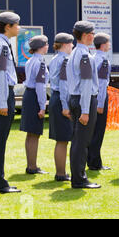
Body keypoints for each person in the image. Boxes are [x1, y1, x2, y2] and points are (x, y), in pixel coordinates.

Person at [0, 11, 21, 193]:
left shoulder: (0, 44)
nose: (19, 28)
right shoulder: (1, 47)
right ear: (7, 26)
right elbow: (0, 75)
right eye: (16, 24)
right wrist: (2, 103)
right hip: (1, 92)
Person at [66, 21, 100, 189]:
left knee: (77, 140)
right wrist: (85, 111)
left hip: (75, 98)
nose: (93, 36)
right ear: (87, 35)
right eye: (92, 34)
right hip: (83, 100)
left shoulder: (73, 53)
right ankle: (79, 178)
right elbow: (86, 84)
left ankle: (77, 176)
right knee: (82, 142)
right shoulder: (85, 55)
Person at [20, 35, 49, 175]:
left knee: (30, 134)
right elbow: (41, 87)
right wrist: (42, 106)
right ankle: (32, 166)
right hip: (35, 97)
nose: (48, 46)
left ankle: (30, 164)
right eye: (46, 44)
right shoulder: (40, 63)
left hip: (29, 95)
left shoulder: (30, 61)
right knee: (34, 134)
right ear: (41, 47)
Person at [48, 33, 74, 182]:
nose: (72, 46)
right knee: (63, 140)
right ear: (65, 44)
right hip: (62, 99)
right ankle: (61, 173)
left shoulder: (54, 59)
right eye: (71, 44)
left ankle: (61, 172)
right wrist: (65, 106)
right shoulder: (65, 60)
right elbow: (64, 85)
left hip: (56, 97)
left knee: (61, 139)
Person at [87, 33, 112, 171]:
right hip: (99, 97)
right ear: (103, 45)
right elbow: (102, 84)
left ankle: (91, 159)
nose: (109, 45)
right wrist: (101, 104)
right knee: (98, 131)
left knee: (92, 130)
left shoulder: (92, 57)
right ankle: (95, 162)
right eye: (108, 43)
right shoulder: (103, 61)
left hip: (91, 97)